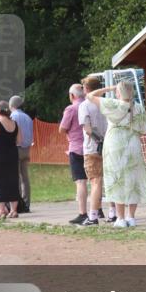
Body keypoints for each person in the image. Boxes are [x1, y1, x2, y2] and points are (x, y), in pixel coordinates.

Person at [86, 80, 146, 227]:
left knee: (117, 180)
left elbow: (90, 96)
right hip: (133, 144)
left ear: (118, 91)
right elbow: (145, 129)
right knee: (132, 179)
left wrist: (109, 87)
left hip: (114, 145)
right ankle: (131, 217)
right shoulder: (139, 108)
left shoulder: (113, 104)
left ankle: (120, 218)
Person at [80, 76, 111, 224]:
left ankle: (93, 215)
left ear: (86, 89)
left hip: (93, 148)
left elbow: (87, 129)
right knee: (110, 179)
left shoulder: (85, 105)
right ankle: (113, 212)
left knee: (95, 181)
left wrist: (99, 140)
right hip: (110, 144)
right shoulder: (108, 104)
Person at [59, 84, 89, 225]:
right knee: (96, 180)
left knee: (81, 181)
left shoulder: (71, 109)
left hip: (77, 148)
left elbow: (62, 128)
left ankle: (83, 213)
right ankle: (98, 209)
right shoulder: (92, 105)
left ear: (72, 95)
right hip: (93, 146)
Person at [9, 95, 33, 209]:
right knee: (25, 178)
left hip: (16, 148)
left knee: (15, 177)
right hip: (27, 149)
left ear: (11, 105)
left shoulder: (13, 116)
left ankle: (17, 204)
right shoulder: (27, 117)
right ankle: (26, 203)